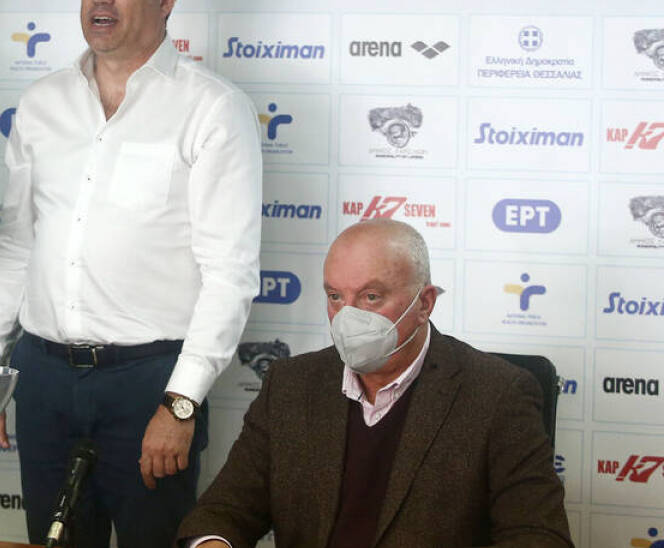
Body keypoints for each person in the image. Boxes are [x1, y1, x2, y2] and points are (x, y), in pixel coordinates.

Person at [0, 0, 262, 546]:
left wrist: (180, 402)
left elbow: (229, 275)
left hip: (149, 383)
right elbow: (14, 248)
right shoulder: (41, 102)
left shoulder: (211, 108)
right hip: (43, 378)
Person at [177, 219, 572, 548]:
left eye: (371, 297)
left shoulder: (497, 393)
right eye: (335, 296)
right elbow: (224, 510)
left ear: (424, 303)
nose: (347, 316)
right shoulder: (291, 385)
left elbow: (538, 535)